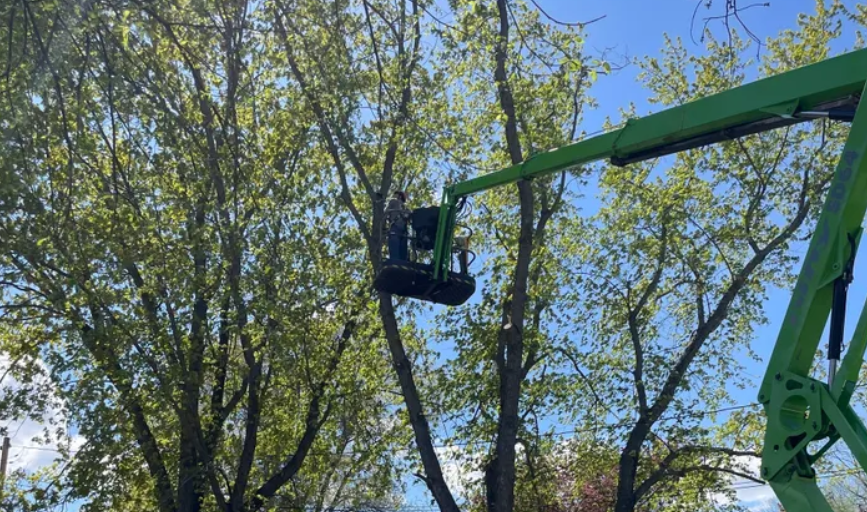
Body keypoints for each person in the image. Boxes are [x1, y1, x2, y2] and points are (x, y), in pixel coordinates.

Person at [384, 190, 409, 260]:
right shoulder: (406, 209)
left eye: (395, 194)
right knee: (403, 253)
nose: (393, 196)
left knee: (394, 252)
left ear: (399, 196)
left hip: (395, 228)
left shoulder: (393, 201)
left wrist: (383, 227)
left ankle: (394, 263)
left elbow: (385, 213)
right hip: (404, 232)